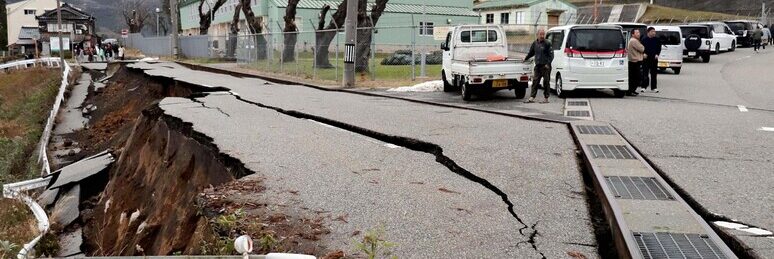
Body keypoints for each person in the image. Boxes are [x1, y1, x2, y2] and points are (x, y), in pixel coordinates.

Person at [523, 28, 553, 103]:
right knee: (535, 82)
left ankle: (546, 98)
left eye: (543, 34)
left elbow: (551, 55)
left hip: (545, 66)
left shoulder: (547, 43)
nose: (542, 36)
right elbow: (531, 53)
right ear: (537, 35)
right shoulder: (535, 43)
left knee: (546, 82)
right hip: (538, 66)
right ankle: (532, 97)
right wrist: (525, 58)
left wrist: (547, 64)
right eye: (541, 34)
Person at [640, 27, 661, 93]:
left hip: (654, 59)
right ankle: (644, 87)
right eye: (652, 31)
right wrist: (643, 54)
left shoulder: (657, 40)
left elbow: (659, 48)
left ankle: (654, 87)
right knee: (645, 73)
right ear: (648, 32)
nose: (654, 33)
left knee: (654, 74)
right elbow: (641, 48)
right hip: (646, 59)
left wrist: (657, 54)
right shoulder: (644, 40)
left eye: (654, 31)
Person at [626, 29, 645, 96]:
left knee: (634, 77)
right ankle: (630, 91)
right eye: (637, 32)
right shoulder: (634, 41)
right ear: (633, 34)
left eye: (639, 32)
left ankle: (632, 90)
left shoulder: (634, 40)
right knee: (636, 77)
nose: (638, 34)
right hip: (634, 61)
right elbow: (642, 49)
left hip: (634, 61)